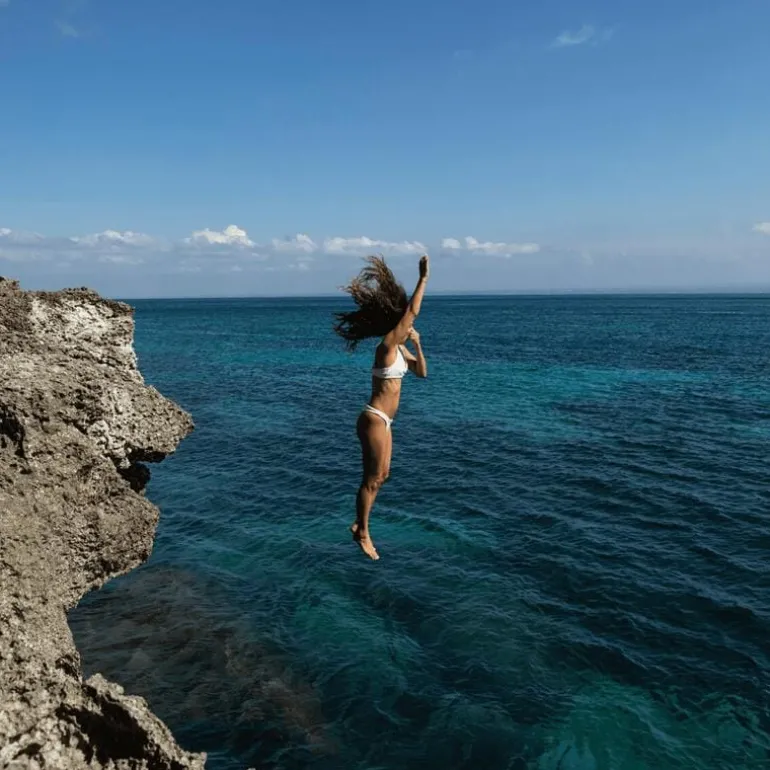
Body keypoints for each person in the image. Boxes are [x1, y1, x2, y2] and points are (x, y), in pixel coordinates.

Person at [333, 254, 430, 560]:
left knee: (382, 476)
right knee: (371, 478)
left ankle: (360, 524)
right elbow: (413, 311)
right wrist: (423, 279)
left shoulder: (399, 350)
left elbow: (421, 373)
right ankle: (362, 531)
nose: (407, 324)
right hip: (374, 418)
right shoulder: (386, 347)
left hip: (386, 421)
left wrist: (417, 345)